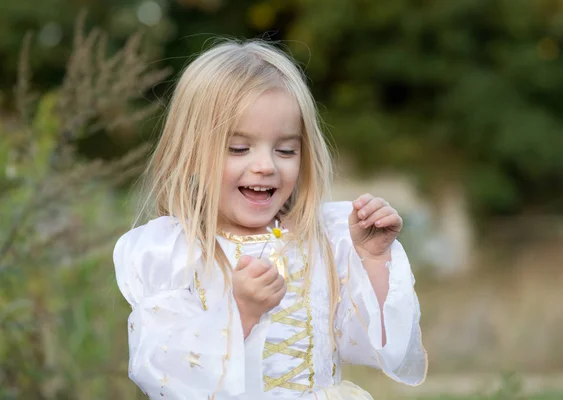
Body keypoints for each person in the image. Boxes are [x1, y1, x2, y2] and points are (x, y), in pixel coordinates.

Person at [113, 40, 427, 400]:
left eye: (285, 150)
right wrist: (239, 313)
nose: (266, 165)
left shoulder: (323, 239)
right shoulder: (173, 252)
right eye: (239, 148)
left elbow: (383, 345)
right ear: (191, 154)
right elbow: (161, 371)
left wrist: (372, 259)